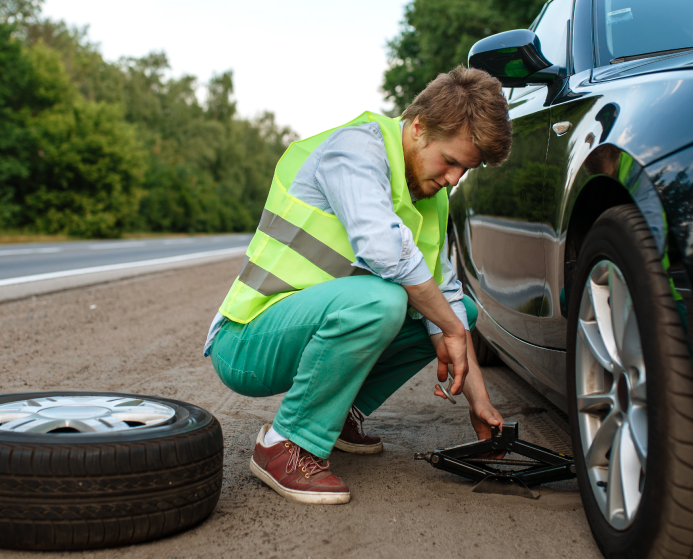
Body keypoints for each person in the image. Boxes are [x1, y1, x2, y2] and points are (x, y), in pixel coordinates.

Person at [203, 66, 513, 504]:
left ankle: (334, 414)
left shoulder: (430, 197)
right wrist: (451, 328)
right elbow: (385, 251)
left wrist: (479, 401)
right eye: (451, 161)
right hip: (247, 340)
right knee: (387, 301)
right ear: (420, 127)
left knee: (458, 311)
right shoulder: (354, 150)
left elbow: (446, 299)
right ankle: (285, 445)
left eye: (466, 169)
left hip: (306, 329)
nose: (454, 179)